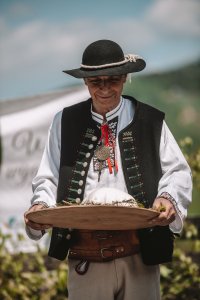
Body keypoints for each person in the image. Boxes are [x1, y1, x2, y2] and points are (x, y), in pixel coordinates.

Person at [24, 39, 192, 300]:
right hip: (85, 258)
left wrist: (167, 198)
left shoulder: (151, 121)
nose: (104, 88)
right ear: (85, 82)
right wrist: (40, 208)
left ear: (124, 77)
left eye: (112, 79)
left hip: (139, 255)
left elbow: (178, 171)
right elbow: (48, 177)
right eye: (95, 81)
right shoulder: (64, 122)